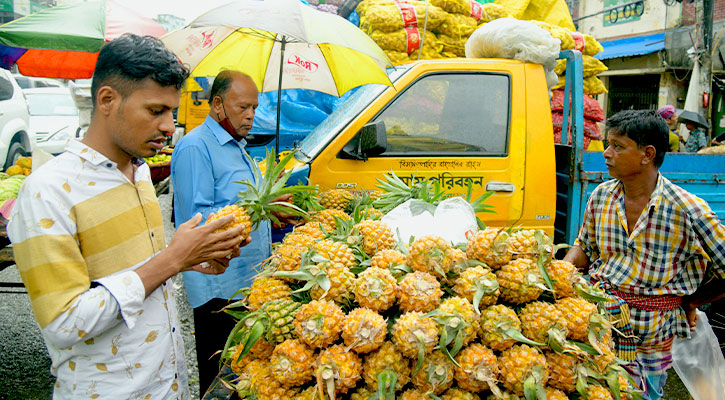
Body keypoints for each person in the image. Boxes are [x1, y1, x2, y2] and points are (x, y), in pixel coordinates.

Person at [7, 34, 247, 399]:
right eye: (156, 111)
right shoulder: (47, 191)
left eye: (172, 112)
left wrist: (192, 260)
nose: (170, 127)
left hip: (168, 385)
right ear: (107, 100)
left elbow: (136, 273)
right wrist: (172, 258)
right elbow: (64, 323)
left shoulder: (139, 175)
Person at [564, 109, 725, 400]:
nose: (606, 153)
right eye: (607, 145)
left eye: (618, 146)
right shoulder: (601, 196)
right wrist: (563, 270)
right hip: (597, 321)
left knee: (642, 395)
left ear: (647, 154)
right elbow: (584, 248)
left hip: (652, 333)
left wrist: (692, 300)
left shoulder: (687, 209)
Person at [171, 70, 293, 393]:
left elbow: (239, 206)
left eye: (254, 107)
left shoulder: (239, 147)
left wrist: (271, 208)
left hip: (245, 285)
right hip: (218, 289)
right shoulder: (195, 147)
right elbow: (198, 221)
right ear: (218, 105)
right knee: (219, 381)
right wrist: (256, 210)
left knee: (245, 377)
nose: (251, 115)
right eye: (243, 107)